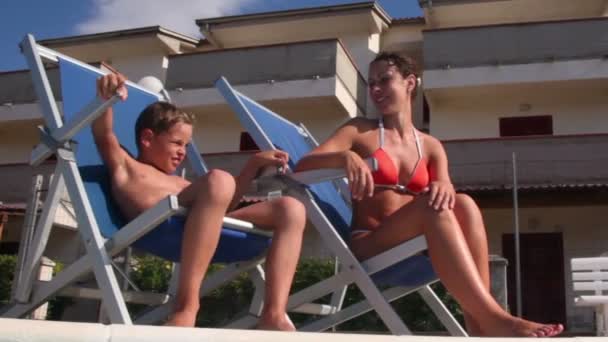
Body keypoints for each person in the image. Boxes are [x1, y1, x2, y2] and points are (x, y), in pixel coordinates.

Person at [294, 52, 563, 337]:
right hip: (370, 244)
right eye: (371, 83)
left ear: (410, 83)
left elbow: (445, 186)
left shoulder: (431, 146)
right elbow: (303, 166)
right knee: (432, 209)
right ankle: (496, 318)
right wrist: (344, 157)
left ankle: (479, 326)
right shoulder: (360, 130)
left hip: (415, 246)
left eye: (384, 80)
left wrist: (443, 185)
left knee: (465, 204)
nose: (375, 89)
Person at [94, 73, 306, 330]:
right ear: (147, 138)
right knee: (218, 179)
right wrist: (105, 99)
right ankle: (186, 305)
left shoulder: (181, 184)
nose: (183, 151)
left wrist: (253, 165)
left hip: (200, 230)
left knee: (291, 208)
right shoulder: (126, 165)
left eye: (186, 144)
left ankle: (273, 313)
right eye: (176, 143)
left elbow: (222, 206)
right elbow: (104, 134)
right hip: (161, 227)